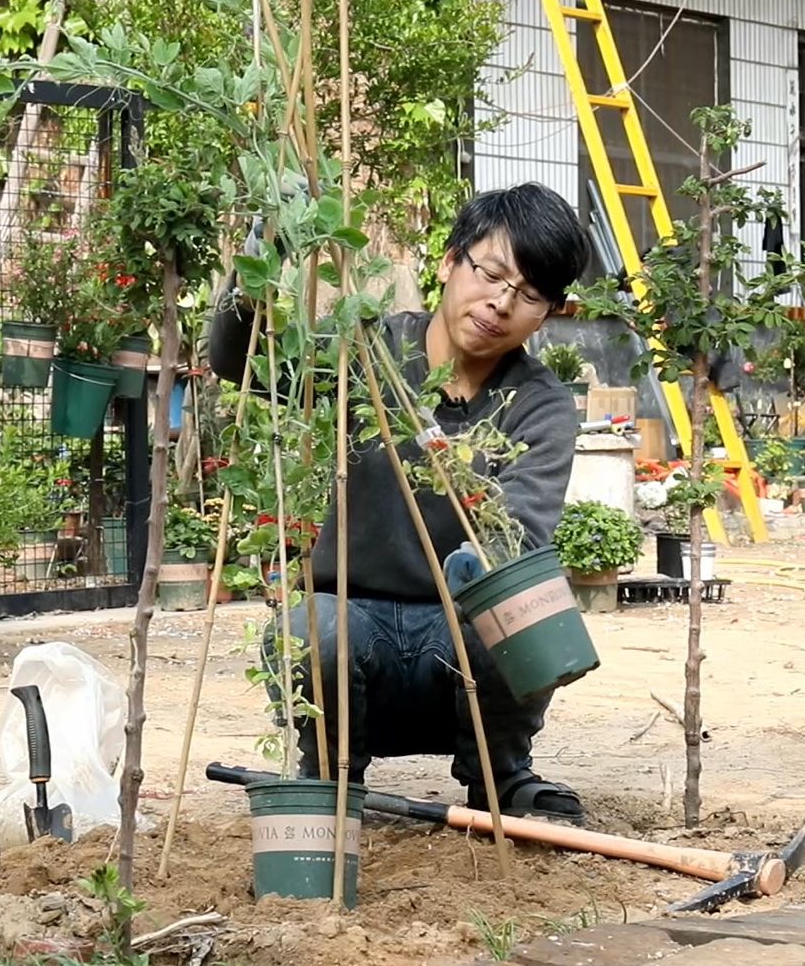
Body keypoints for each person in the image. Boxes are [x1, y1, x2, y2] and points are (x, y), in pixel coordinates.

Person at [207, 182, 590, 823]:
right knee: (311, 631)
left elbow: (518, 531)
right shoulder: (366, 353)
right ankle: (329, 770)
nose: (500, 303)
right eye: (491, 274)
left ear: (546, 313)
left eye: (527, 295)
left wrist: (457, 478)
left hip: (460, 635)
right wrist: (263, 246)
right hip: (350, 622)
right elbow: (238, 358)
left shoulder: (540, 403)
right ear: (449, 261)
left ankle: (501, 773)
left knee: (528, 612)